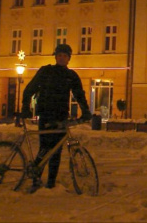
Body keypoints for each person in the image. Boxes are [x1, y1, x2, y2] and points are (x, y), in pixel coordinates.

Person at [20, 44, 91, 191]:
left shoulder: (71, 76)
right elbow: (29, 89)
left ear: (68, 59)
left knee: (56, 151)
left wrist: (85, 112)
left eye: (65, 56)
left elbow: (79, 95)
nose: (62, 58)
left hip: (61, 117)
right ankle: (36, 178)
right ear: (55, 57)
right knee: (45, 148)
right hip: (46, 114)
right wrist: (25, 108)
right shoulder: (46, 71)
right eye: (59, 55)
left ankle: (51, 182)